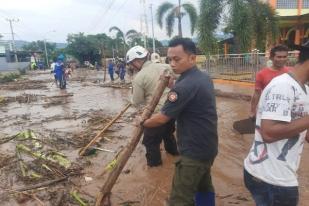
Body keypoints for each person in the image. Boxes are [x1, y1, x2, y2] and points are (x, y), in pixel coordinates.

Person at [142, 38, 218, 206]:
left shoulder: (182, 87)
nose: (172, 64)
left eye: (177, 59)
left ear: (192, 58)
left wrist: (142, 122)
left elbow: (162, 118)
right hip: (209, 147)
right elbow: (189, 94)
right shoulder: (203, 77)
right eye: (169, 59)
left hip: (193, 152)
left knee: (179, 199)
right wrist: (173, 86)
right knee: (204, 187)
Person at [243, 41, 309, 206]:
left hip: (278, 175)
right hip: (272, 179)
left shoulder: (305, 90)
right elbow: (269, 133)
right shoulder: (283, 86)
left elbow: (304, 132)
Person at [126, 45, 179, 167]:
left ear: (137, 61)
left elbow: (137, 101)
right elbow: (179, 81)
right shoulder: (166, 67)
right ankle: (174, 155)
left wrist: (131, 97)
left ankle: (155, 168)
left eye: (131, 63)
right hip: (171, 111)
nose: (131, 66)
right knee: (169, 134)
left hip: (155, 115)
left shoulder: (139, 77)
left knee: (151, 143)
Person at [250, 45, 291, 117]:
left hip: (287, 109)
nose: (282, 59)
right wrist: (253, 111)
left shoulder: (292, 72)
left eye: (284, 57)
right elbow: (257, 94)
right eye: (279, 57)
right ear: (271, 58)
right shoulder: (261, 74)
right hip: (268, 109)